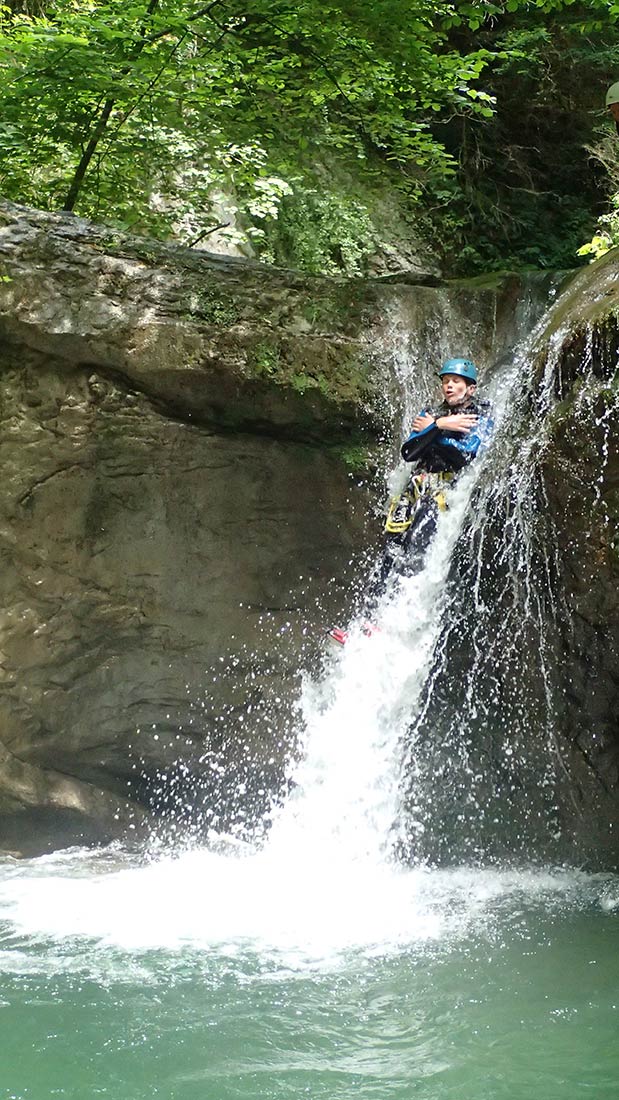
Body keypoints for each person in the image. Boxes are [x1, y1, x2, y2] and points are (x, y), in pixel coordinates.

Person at [328, 358, 493, 645]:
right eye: (445, 381)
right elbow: (410, 451)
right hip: (414, 488)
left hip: (443, 493)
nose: (449, 385)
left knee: (418, 545)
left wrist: (434, 431)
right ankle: (366, 621)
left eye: (456, 381)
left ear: (471, 388)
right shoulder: (432, 413)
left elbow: (465, 454)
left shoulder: (481, 415)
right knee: (389, 551)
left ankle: (394, 622)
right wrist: (441, 425)